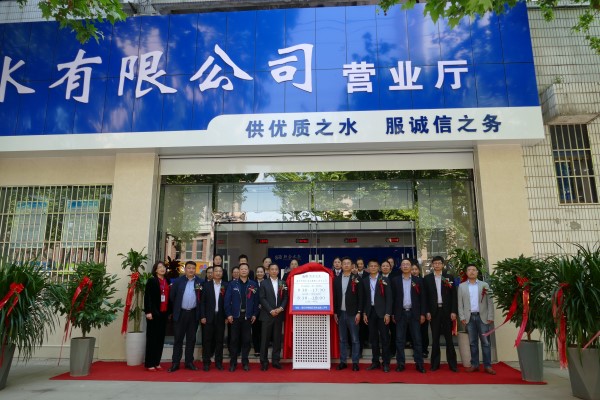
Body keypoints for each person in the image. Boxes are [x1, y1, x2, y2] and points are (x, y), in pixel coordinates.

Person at [458, 264, 496, 375]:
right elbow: (460, 303)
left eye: (474, 270)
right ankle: (474, 364)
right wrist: (462, 317)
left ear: (477, 272)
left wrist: (490, 316)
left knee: (485, 343)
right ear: (466, 273)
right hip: (469, 318)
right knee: (472, 343)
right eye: (469, 270)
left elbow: (489, 302)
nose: (471, 272)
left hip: (482, 317)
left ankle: (487, 366)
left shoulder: (484, 285)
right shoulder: (462, 286)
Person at [424, 256, 458, 372]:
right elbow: (425, 297)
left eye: (439, 263)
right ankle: (435, 364)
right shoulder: (427, 278)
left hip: (447, 311)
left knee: (449, 339)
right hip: (434, 312)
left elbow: (454, 296)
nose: (437, 265)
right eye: (435, 263)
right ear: (432, 265)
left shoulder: (449, 277)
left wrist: (453, 311)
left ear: (443, 265)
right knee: (435, 339)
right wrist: (427, 311)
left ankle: (452, 364)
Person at [391, 258, 426, 373]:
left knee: (417, 340)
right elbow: (393, 299)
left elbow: (422, 298)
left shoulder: (418, 280)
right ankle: (400, 363)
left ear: (411, 267)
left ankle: (419, 364)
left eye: (407, 264)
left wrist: (422, 314)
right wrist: (393, 313)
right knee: (399, 340)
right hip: (400, 313)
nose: (405, 266)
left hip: (414, 313)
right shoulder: (395, 280)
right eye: (403, 264)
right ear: (400, 267)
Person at [168, 261, 203, 372]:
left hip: (193, 314)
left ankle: (189, 362)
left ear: (195, 270)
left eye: (193, 268)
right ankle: (175, 363)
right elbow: (172, 297)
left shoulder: (200, 282)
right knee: (178, 339)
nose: (191, 270)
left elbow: (202, 299)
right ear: (185, 269)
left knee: (191, 340)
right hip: (180, 313)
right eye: (189, 268)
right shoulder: (178, 281)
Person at [224, 263, 259, 372]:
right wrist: (228, 314)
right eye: (242, 269)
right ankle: (233, 363)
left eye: (245, 269)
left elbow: (256, 301)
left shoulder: (253, 284)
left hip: (247, 317)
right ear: (238, 271)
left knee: (246, 340)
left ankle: (245, 362)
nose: (243, 270)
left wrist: (254, 314)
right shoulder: (232, 284)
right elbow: (227, 300)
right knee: (234, 340)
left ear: (248, 271)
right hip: (235, 316)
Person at [363, 259, 393, 372]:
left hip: (382, 313)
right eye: (371, 266)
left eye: (375, 266)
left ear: (378, 268)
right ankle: (375, 362)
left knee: (385, 338)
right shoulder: (365, 281)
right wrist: (364, 313)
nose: (373, 268)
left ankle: (386, 363)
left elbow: (389, 298)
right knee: (373, 339)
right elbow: (364, 298)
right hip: (370, 312)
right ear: (368, 268)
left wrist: (388, 313)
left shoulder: (385, 280)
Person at [334, 257, 363, 371]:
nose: (346, 265)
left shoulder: (357, 279)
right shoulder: (336, 279)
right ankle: (343, 361)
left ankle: (355, 362)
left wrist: (359, 312)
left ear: (352, 266)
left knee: (355, 339)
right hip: (340, 313)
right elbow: (335, 297)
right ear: (341, 265)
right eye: (344, 263)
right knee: (342, 339)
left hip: (353, 314)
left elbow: (361, 297)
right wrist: (335, 312)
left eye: (348, 263)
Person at [259, 263, 288, 370]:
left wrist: (281, 308)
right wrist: (271, 310)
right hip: (267, 315)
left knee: (277, 339)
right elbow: (262, 298)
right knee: (265, 340)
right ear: (268, 271)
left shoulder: (283, 283)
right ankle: (264, 362)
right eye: (272, 269)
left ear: (278, 271)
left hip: (278, 315)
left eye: (276, 269)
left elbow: (285, 298)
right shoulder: (264, 283)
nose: (274, 271)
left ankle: (276, 361)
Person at [144, 261, 170, 371]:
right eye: (159, 267)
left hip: (164, 314)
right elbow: (147, 297)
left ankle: (157, 362)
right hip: (154, 314)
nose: (162, 269)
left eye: (163, 267)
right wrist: (148, 311)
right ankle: (150, 363)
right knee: (152, 339)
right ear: (155, 270)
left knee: (160, 339)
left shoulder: (167, 281)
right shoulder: (152, 281)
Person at [200, 265, 227, 371]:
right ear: (212, 273)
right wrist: (202, 316)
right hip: (208, 317)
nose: (218, 273)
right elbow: (202, 302)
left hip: (221, 317)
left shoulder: (226, 285)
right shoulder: (206, 285)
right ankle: (206, 362)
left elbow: (228, 303)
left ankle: (218, 362)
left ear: (222, 273)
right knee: (207, 340)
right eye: (216, 271)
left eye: (220, 271)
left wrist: (226, 316)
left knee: (219, 341)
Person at [411, 260, 430, 359]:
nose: (414, 271)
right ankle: (416, 350)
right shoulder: (407, 281)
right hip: (412, 311)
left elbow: (426, 298)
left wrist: (425, 312)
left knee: (423, 332)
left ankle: (424, 350)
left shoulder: (423, 281)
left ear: (419, 270)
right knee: (414, 332)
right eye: (412, 269)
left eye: (416, 269)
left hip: (423, 310)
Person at [381, 260, 396, 356]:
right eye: (383, 266)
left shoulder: (395, 278)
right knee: (384, 333)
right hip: (381, 311)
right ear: (380, 268)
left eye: (387, 266)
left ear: (390, 268)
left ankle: (392, 351)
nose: (385, 267)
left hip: (393, 310)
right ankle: (384, 352)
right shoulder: (378, 278)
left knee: (394, 332)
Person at [252, 265, 266, 357]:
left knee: (264, 331)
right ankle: (256, 349)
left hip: (266, 311)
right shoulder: (252, 283)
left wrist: (263, 305)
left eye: (261, 272)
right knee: (255, 330)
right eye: (258, 272)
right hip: (255, 311)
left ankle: (263, 349)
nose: (259, 273)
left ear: (264, 273)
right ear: (256, 273)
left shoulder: (268, 283)